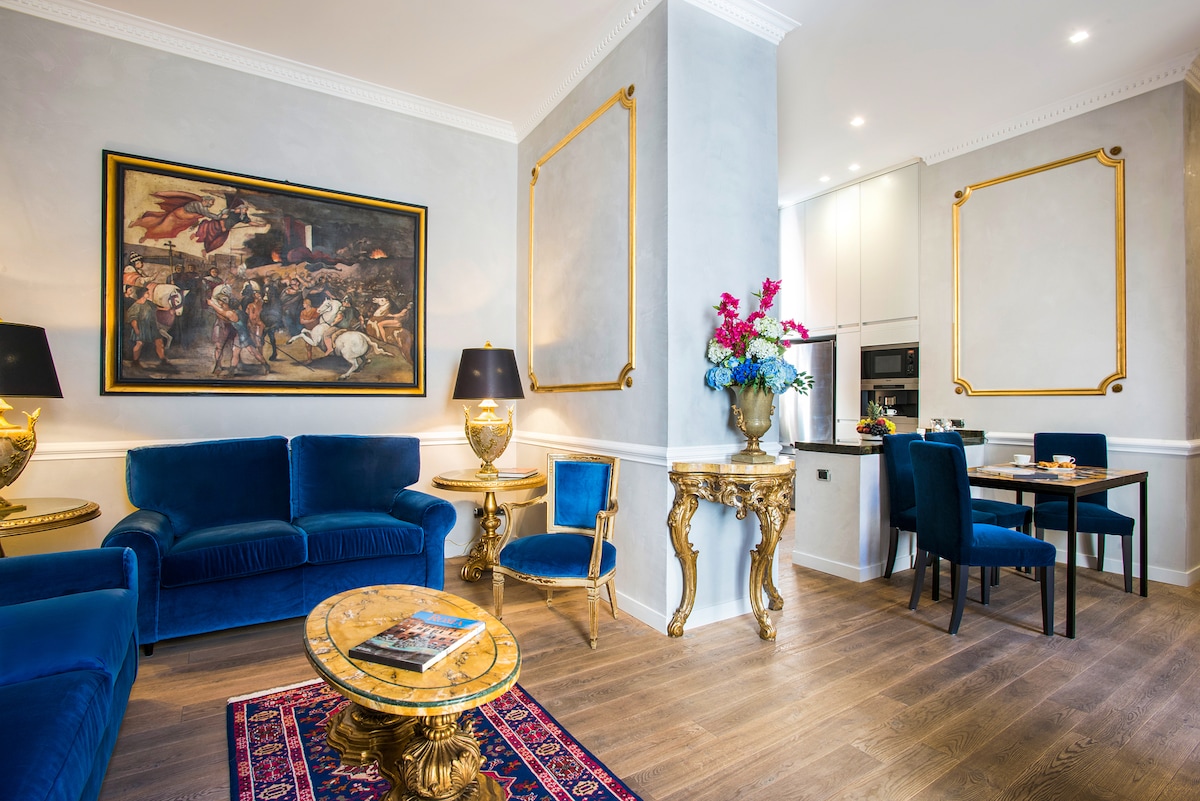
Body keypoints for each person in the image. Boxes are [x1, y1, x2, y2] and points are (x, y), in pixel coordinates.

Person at [125, 285, 171, 370]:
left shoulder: (149, 303)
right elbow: (133, 320)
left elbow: (157, 308)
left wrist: (166, 309)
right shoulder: (135, 306)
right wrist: (136, 329)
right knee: (139, 343)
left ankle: (163, 359)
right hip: (141, 327)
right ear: (142, 294)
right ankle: (135, 362)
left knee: (159, 342)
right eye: (147, 293)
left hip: (151, 326)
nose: (148, 294)